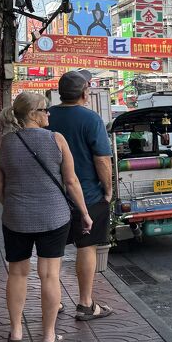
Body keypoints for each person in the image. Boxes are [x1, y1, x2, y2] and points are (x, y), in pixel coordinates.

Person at [0, 92, 92, 342]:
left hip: (15, 218)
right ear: (33, 113)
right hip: (53, 217)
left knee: (17, 273)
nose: (49, 114)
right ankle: (48, 335)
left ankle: (15, 331)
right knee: (49, 275)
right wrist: (84, 213)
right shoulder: (57, 140)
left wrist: (13, 205)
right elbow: (71, 181)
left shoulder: (3, 143)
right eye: (45, 110)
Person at [48, 70, 114, 321]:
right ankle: (85, 303)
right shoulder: (91, 119)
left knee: (52, 251)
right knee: (87, 247)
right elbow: (102, 160)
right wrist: (107, 191)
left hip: (54, 196)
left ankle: (54, 302)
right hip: (87, 195)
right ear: (85, 93)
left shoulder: (47, 116)